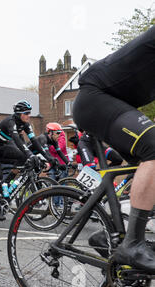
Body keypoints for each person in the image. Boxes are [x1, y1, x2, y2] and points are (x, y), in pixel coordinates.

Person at [73, 26, 155, 271]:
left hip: (116, 105)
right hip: (94, 99)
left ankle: (109, 236)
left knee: (146, 161)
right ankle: (132, 245)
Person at [0, 100, 46, 220]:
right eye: (26, 113)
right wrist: (30, 155)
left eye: (30, 113)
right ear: (19, 114)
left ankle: (6, 182)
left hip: (2, 145)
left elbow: (35, 142)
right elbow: (17, 141)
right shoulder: (11, 122)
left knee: (22, 158)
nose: (29, 115)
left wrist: (48, 157)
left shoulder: (25, 124)